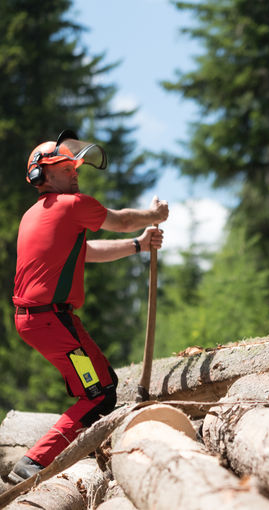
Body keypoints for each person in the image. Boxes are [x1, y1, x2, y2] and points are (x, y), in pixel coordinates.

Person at [9, 130, 169, 483]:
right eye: (66, 168)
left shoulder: (37, 215)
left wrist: (138, 246)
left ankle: (80, 453)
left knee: (99, 387)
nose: (75, 172)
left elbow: (87, 253)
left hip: (40, 323)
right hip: (52, 321)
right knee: (100, 395)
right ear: (43, 176)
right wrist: (153, 214)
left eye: (75, 167)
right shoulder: (71, 205)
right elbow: (123, 220)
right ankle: (34, 463)